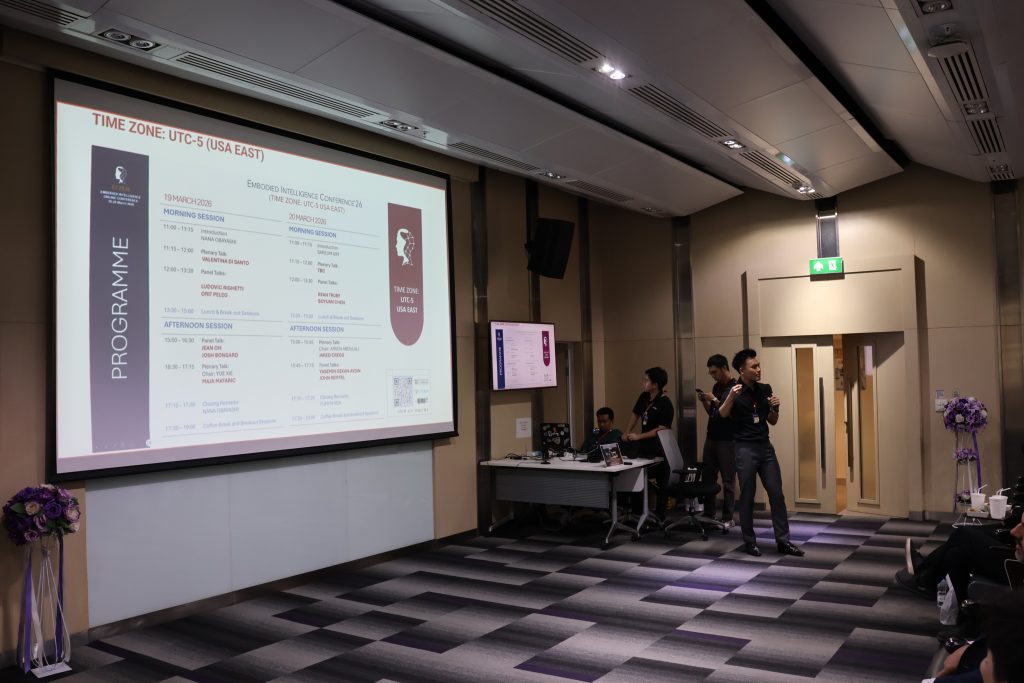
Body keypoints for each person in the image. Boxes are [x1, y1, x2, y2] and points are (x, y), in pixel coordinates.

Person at [718, 349, 804, 557]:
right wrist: (730, 397)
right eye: (754, 366)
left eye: (758, 366)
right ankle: (749, 541)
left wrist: (775, 408)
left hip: (765, 447)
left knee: (777, 494)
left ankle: (783, 541)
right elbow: (722, 415)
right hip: (744, 448)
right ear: (742, 370)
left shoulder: (765, 389)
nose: (758, 369)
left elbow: (772, 421)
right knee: (747, 496)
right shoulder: (733, 391)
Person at [897, 520, 1023, 607]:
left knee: (962, 533)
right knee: (954, 554)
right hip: (1014, 553)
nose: (1014, 531)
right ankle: (966, 620)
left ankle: (926, 577)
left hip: (1017, 567)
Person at [622, 367, 673, 520]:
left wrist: (638, 436)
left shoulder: (665, 403)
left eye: (646, 380)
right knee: (634, 474)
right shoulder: (644, 396)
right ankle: (637, 513)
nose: (643, 383)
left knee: (660, 481)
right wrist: (627, 432)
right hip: (643, 446)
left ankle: (659, 516)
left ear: (655, 384)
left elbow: (661, 429)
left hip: (658, 449)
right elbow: (635, 414)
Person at [698, 354, 737, 528]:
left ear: (724, 368)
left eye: (715, 372)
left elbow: (727, 413)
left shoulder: (735, 387)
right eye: (711, 373)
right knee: (708, 476)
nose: (713, 376)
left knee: (728, 480)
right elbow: (714, 414)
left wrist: (714, 399)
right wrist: (705, 402)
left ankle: (728, 517)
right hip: (711, 437)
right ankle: (709, 513)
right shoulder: (717, 386)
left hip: (727, 439)